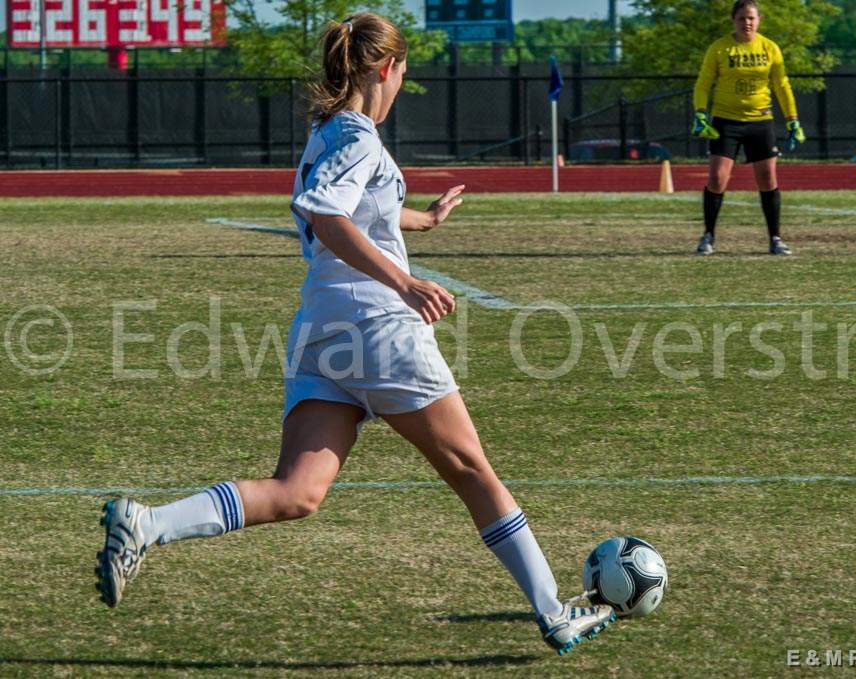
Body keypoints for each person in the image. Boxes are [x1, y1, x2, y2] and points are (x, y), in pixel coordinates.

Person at [95, 12, 615, 656]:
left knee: (296, 492)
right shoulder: (362, 137)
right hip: (377, 326)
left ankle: (147, 524)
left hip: (321, 329)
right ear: (385, 68)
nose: (401, 83)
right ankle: (554, 612)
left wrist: (420, 220)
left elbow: (348, 202)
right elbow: (328, 213)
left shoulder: (328, 133)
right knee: (471, 469)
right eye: (402, 72)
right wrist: (404, 281)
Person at [690, 0, 805, 256]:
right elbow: (703, 83)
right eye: (742, 18)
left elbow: (782, 85)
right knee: (717, 178)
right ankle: (708, 236)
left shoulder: (769, 48)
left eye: (751, 18)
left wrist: (792, 118)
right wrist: (700, 113)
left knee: (767, 179)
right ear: (733, 20)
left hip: (760, 121)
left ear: (759, 20)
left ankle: (775, 238)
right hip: (726, 121)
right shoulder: (720, 48)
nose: (747, 23)